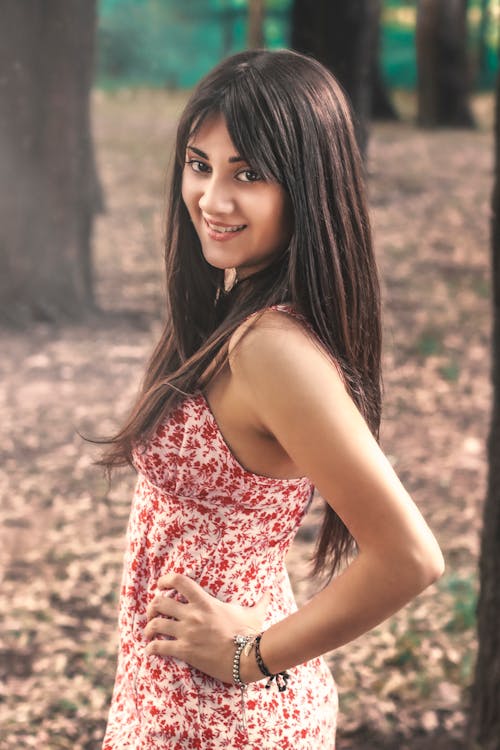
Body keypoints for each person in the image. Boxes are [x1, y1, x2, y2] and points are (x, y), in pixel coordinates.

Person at [100, 48, 444, 749]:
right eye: (200, 165)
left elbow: (410, 556)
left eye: (248, 175)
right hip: (177, 693)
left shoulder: (270, 348)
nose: (213, 199)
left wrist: (246, 656)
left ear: (307, 188)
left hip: (223, 713)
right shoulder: (235, 312)